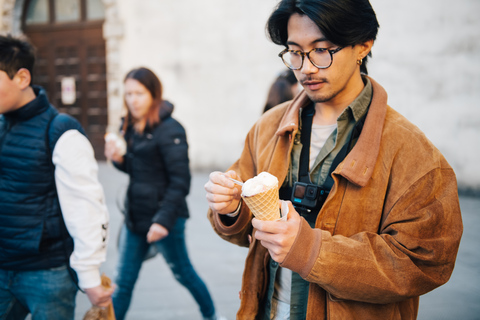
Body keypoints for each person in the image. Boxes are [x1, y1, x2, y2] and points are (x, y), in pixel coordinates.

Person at [204, 0, 463, 319]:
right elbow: (243, 230)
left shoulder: (413, 151)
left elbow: (425, 261)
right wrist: (230, 209)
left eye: (322, 49)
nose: (306, 67)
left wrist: (309, 250)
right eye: (295, 52)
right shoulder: (268, 127)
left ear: (363, 46)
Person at [0, 35, 113, 319]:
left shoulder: (61, 131)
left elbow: (87, 207)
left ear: (22, 77)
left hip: (47, 274)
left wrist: (89, 275)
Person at [105, 67, 223, 320]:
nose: (132, 99)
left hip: (166, 218)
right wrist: (118, 159)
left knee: (184, 273)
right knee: (123, 282)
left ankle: (212, 316)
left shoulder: (171, 129)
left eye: (139, 93)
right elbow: (139, 169)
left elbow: (180, 181)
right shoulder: (132, 125)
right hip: (135, 218)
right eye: (128, 94)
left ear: (153, 94)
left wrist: (163, 221)